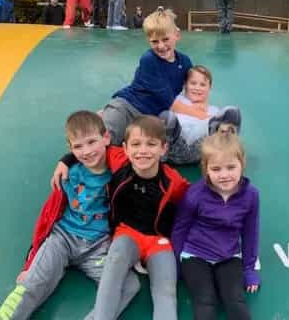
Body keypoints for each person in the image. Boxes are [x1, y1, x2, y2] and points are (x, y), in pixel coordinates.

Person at [0, 111, 139, 320]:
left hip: (98, 247)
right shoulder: (67, 174)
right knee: (31, 284)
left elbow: (141, 156)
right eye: (78, 146)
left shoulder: (121, 170)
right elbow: (47, 218)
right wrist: (31, 262)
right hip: (63, 238)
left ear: (106, 138)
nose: (87, 151)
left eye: (91, 142)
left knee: (129, 285)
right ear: (70, 149)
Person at [52, 115, 190, 320]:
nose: (143, 150)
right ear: (125, 148)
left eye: (151, 144)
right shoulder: (119, 161)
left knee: (166, 292)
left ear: (163, 148)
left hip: (158, 242)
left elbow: (194, 203)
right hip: (128, 234)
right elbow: (93, 149)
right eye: (136, 144)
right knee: (113, 266)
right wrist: (66, 159)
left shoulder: (174, 182)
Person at [171, 131, 260, 320]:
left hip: (228, 255)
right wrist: (176, 265)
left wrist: (249, 269)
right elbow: (180, 228)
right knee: (205, 300)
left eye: (231, 167)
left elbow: (250, 232)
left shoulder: (251, 195)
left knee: (235, 299)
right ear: (206, 169)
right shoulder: (195, 193)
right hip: (195, 254)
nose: (224, 175)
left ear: (242, 164)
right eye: (216, 169)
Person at [101, 7, 193, 145]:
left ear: (177, 35)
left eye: (165, 39)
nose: (161, 46)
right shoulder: (149, 59)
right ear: (148, 40)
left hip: (152, 117)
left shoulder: (185, 62)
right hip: (128, 108)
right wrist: (203, 115)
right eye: (155, 42)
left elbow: (191, 91)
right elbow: (169, 100)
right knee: (105, 143)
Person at [160, 65, 242, 165]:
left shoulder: (214, 111)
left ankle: (229, 151)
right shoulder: (178, 100)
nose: (197, 88)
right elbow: (168, 105)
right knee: (167, 117)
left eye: (203, 85)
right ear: (185, 84)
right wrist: (196, 112)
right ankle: (160, 156)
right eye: (193, 83)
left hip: (201, 151)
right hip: (174, 148)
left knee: (232, 112)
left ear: (209, 87)